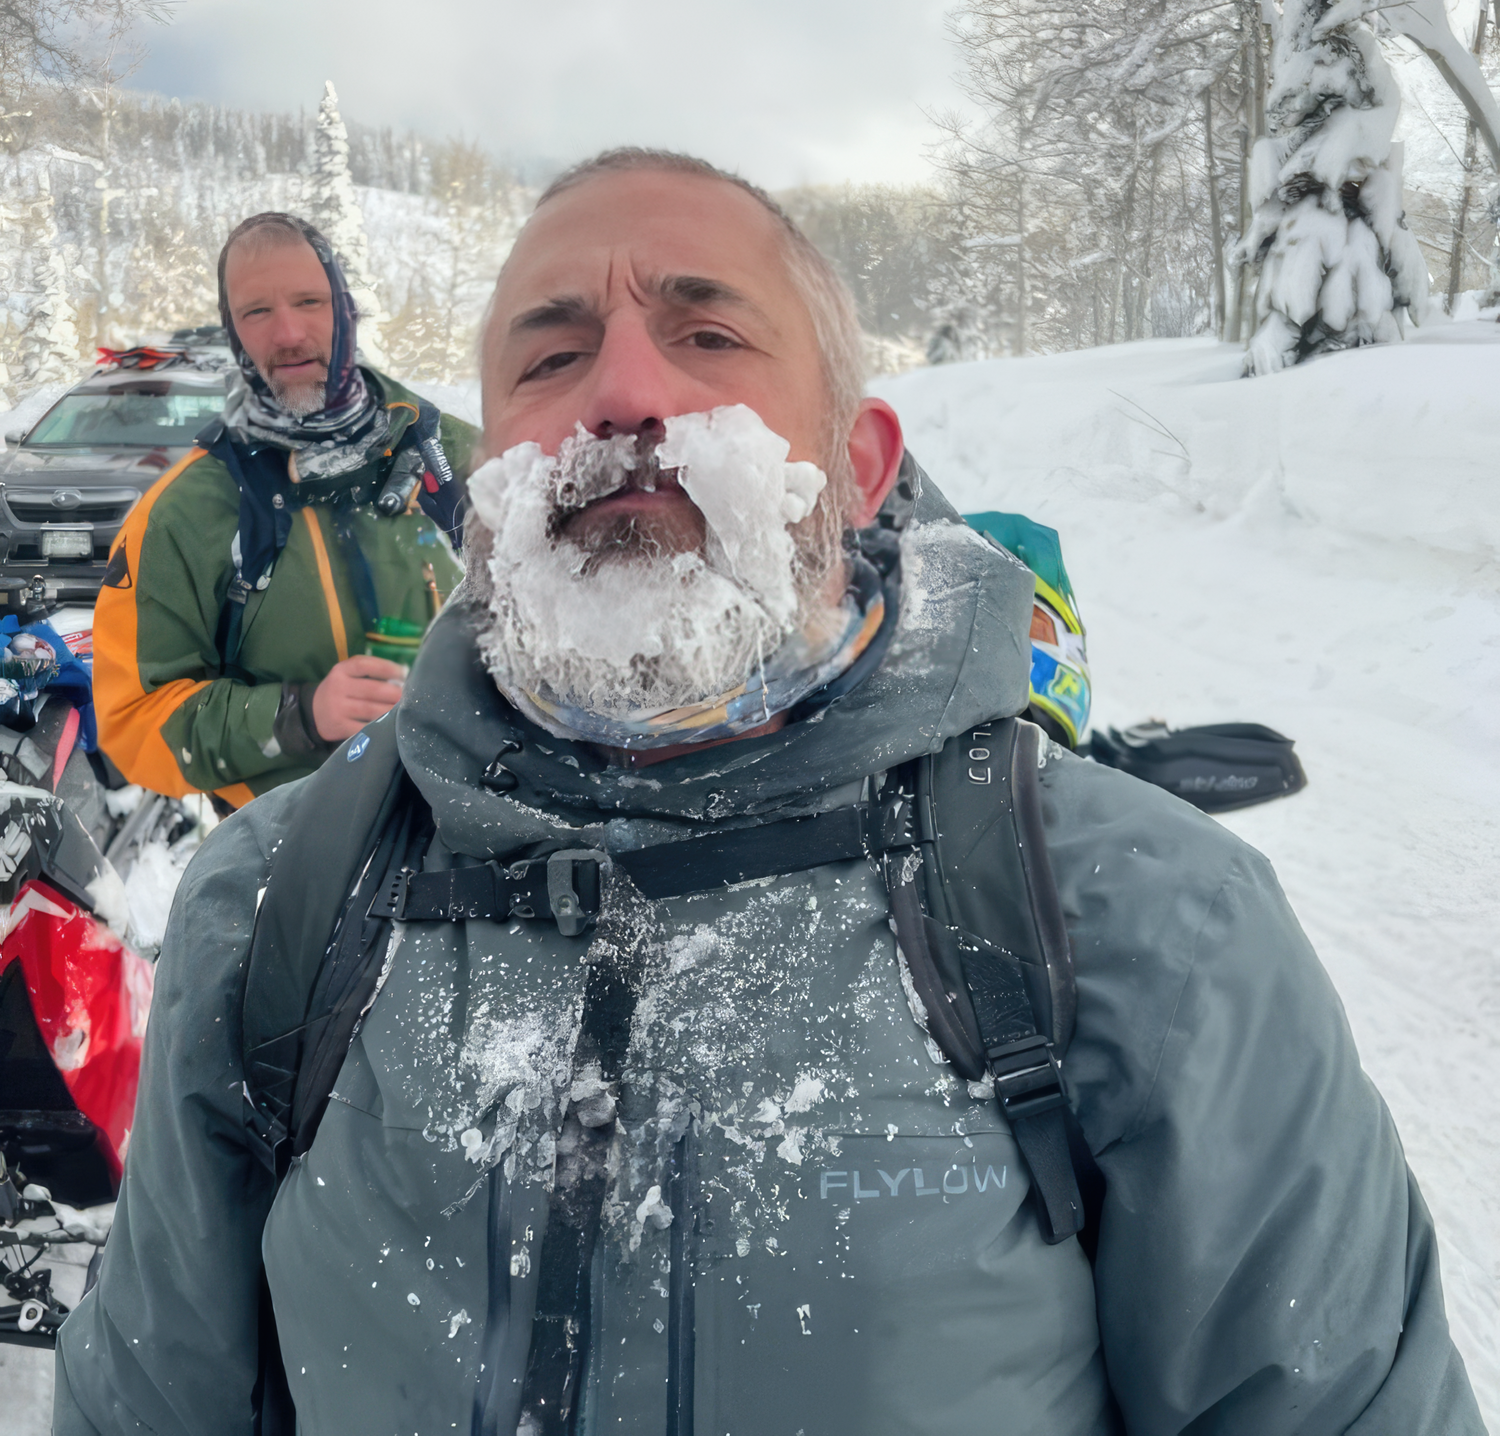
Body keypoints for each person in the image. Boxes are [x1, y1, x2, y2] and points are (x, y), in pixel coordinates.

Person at [55, 151, 1483, 1435]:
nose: (622, 394)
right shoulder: (271, 906)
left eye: (710, 333)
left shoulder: (1154, 926)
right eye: (550, 358)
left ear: (857, 469)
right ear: (490, 485)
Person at [92, 213, 476, 810]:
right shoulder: (186, 512)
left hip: (483, 847)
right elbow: (133, 724)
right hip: (296, 867)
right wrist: (298, 715)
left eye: (309, 301)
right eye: (257, 312)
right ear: (234, 331)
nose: (289, 332)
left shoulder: (449, 452)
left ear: (345, 309)